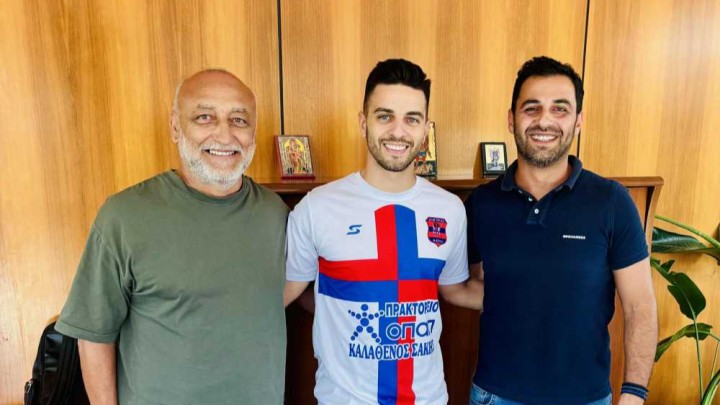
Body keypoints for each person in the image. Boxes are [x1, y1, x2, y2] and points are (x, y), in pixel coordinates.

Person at [55, 69, 288, 405]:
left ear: (253, 132)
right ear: (176, 127)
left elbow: (302, 291)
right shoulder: (124, 216)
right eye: (205, 117)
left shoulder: (276, 214)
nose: (224, 135)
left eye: (239, 120)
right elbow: (93, 335)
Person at [283, 59, 483, 404]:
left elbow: (454, 289)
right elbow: (285, 293)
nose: (398, 132)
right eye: (385, 116)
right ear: (363, 123)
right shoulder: (317, 208)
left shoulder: (450, 210)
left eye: (412, 119)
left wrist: (531, 296)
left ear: (425, 130)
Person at [465, 56, 658, 405]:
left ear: (578, 121)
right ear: (511, 119)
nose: (544, 120)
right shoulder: (481, 204)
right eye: (531, 108)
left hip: (585, 398)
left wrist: (634, 394)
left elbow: (640, 306)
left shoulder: (611, 201)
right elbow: (474, 286)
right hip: (494, 396)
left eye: (560, 109)